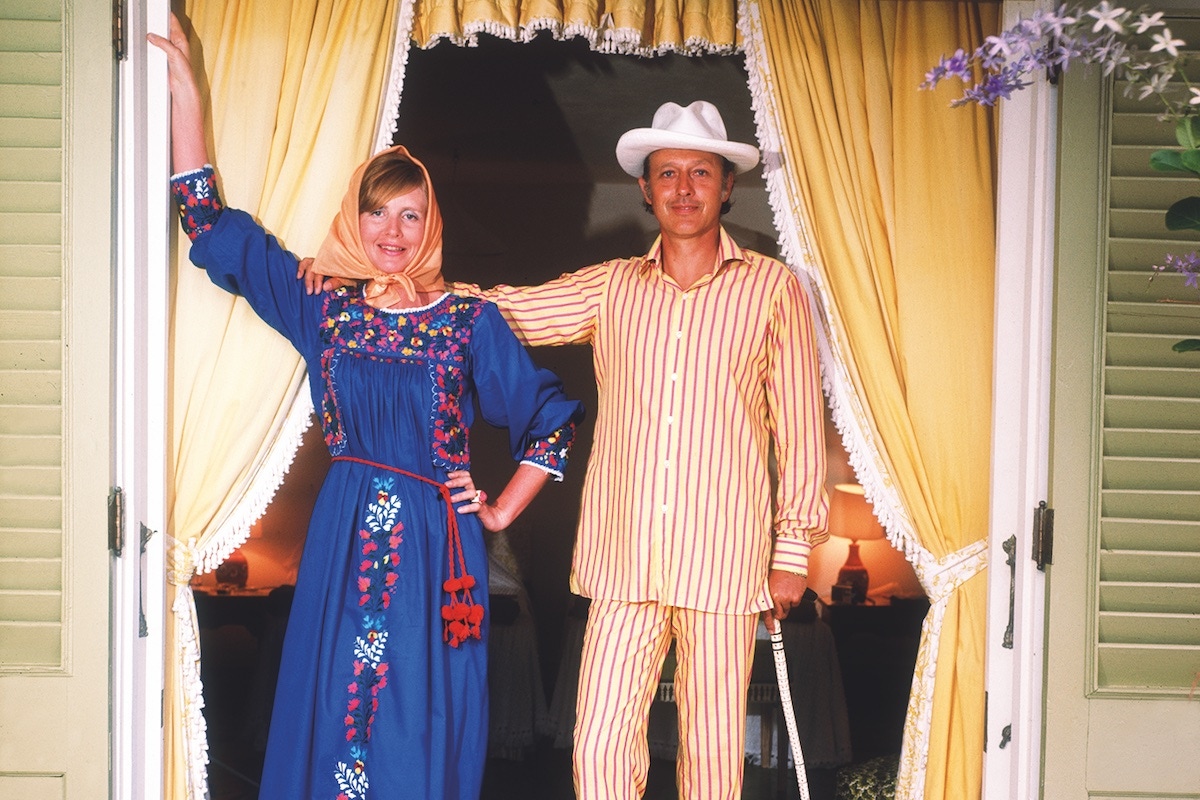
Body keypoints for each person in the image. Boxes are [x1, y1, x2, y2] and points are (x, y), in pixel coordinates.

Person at [306, 100, 829, 799]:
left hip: (724, 560)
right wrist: (380, 283)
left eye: (700, 172)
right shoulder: (611, 286)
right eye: (666, 173)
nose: (682, 187)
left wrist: (791, 554)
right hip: (621, 557)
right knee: (599, 745)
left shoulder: (774, 289)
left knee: (711, 753)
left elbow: (798, 427)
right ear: (645, 189)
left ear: (726, 185)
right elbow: (503, 309)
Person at [149, 14, 584, 800]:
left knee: (418, 720)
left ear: (431, 226)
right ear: (358, 217)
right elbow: (213, 230)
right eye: (378, 211)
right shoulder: (325, 308)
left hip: (436, 542)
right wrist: (185, 98)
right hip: (343, 534)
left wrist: (495, 512)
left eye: (411, 214)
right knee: (337, 713)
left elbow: (550, 419)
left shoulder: (468, 323)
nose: (392, 230)